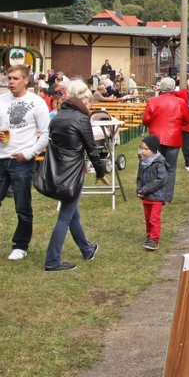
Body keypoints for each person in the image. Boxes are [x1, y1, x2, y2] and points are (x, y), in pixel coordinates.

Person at [43, 80, 106, 271]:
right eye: (89, 102)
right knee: (65, 216)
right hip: (72, 172)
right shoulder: (81, 118)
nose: (90, 106)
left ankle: (87, 249)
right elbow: (91, 148)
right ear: (83, 100)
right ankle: (52, 260)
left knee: (72, 213)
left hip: (58, 170)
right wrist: (100, 172)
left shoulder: (58, 116)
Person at [0, 65, 51, 260]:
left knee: (22, 205)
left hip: (21, 161)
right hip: (1, 158)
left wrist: (29, 154)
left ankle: (20, 245)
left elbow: (46, 134)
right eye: (9, 78)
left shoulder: (36, 102)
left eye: (15, 78)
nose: (10, 82)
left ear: (25, 80)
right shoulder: (2, 100)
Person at [142, 77, 189, 202]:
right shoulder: (181, 102)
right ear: (174, 88)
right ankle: (167, 197)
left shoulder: (153, 101)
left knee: (155, 166)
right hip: (173, 138)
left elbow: (146, 119)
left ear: (161, 88)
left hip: (156, 138)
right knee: (171, 168)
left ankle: (155, 195)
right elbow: (186, 119)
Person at [136, 134, 168, 251]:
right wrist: (139, 189)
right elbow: (140, 177)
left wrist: (145, 189)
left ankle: (154, 239)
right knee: (148, 218)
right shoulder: (142, 162)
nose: (143, 151)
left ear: (154, 150)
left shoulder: (159, 163)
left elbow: (161, 179)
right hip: (146, 196)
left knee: (154, 218)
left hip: (157, 197)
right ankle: (149, 236)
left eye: (146, 149)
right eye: (142, 148)